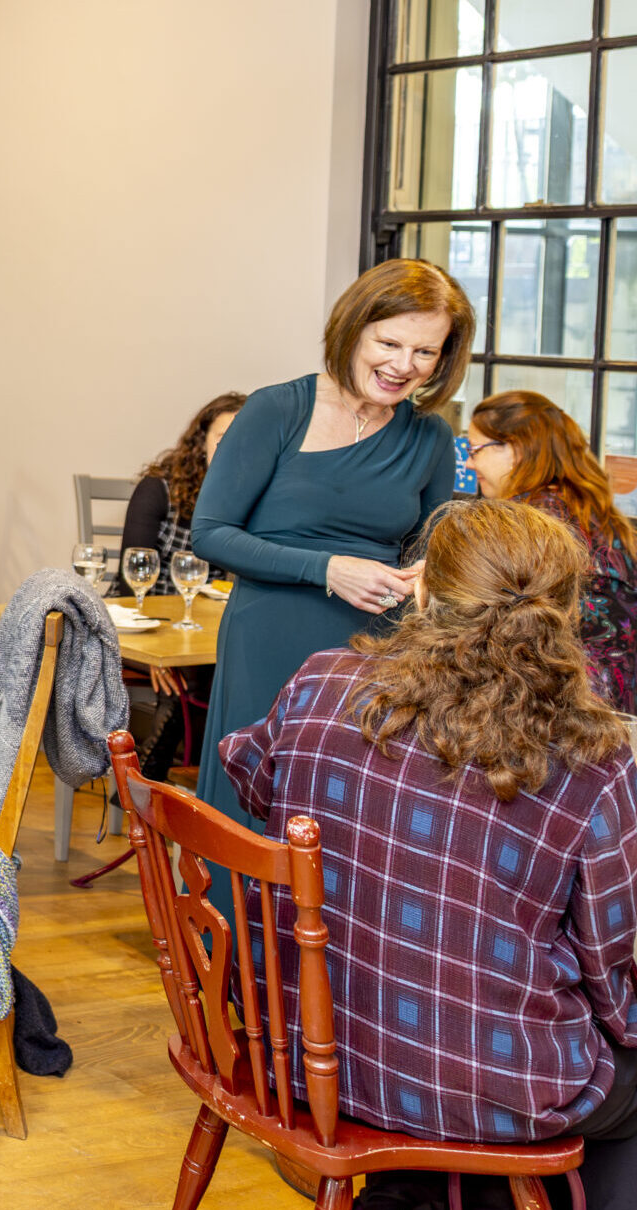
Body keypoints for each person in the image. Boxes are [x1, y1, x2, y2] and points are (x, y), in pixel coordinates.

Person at [221, 498, 637, 1209]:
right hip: (490, 1088)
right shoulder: (596, 759)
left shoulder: (322, 680)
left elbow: (254, 778)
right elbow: (615, 975)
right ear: (566, 615)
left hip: (296, 1050)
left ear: (423, 590)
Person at [190, 258, 469, 841]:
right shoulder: (277, 410)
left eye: (425, 352)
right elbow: (211, 534)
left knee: (348, 816)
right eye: (389, 342)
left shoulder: (432, 437)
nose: (403, 365)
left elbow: (433, 552)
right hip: (268, 637)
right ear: (354, 328)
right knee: (257, 805)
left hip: (376, 649)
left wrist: (428, 574)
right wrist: (327, 569)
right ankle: (240, 933)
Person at [465, 388, 637, 713]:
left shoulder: (525, 520)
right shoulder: (596, 513)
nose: (469, 463)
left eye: (476, 450)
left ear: (516, 447)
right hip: (615, 699)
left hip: (556, 701)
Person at [119, 391, 247, 781]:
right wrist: (160, 650)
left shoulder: (248, 498)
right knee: (185, 678)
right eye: (224, 436)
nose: (233, 447)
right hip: (140, 626)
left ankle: (173, 787)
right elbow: (133, 576)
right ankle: (149, 786)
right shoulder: (159, 489)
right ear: (201, 440)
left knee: (225, 673)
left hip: (203, 635)